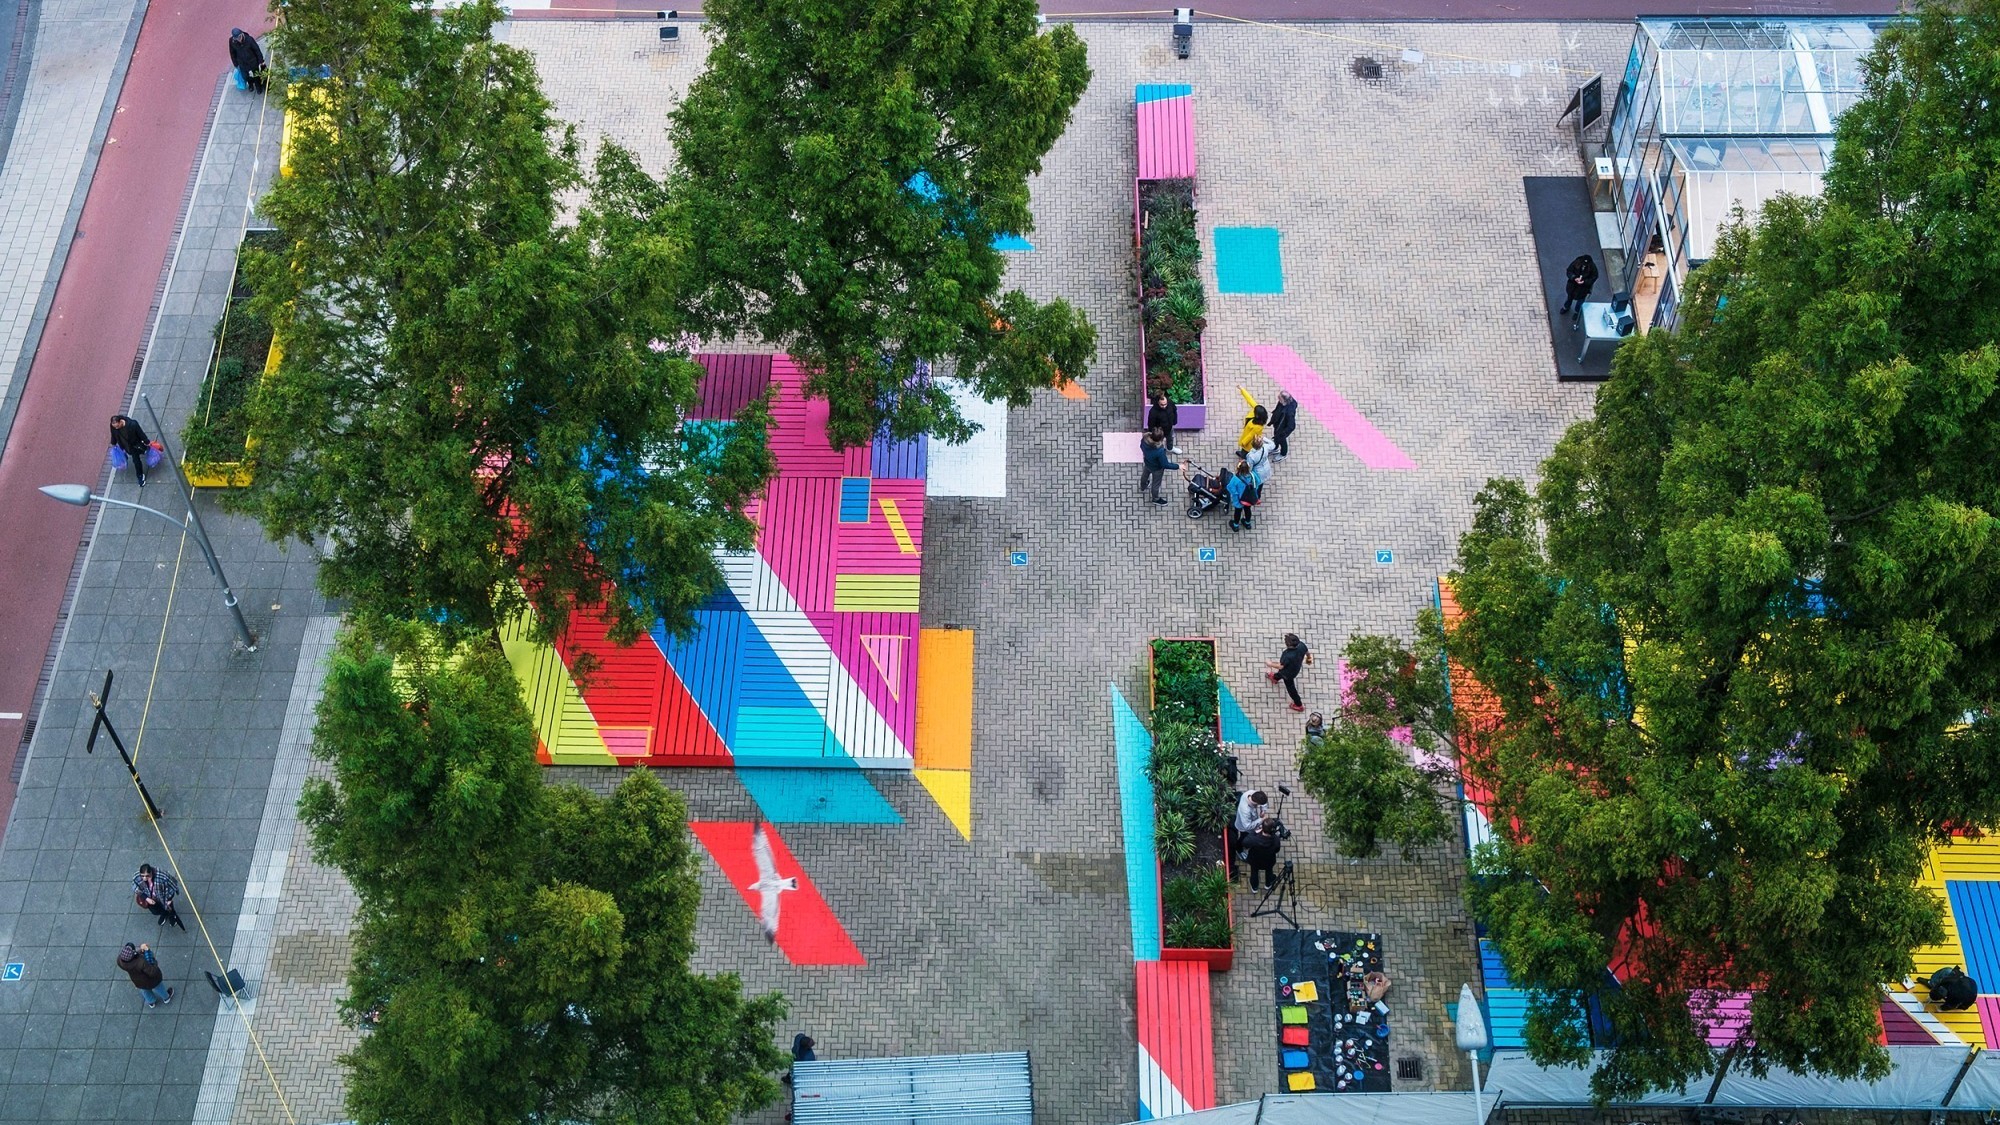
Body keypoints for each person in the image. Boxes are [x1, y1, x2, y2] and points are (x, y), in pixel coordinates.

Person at [117, 942, 174, 1009]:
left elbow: (134, 958)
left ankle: (151, 1002)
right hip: (152, 980)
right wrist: (147, 951)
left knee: (145, 991)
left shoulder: (120, 961)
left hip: (138, 981)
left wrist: (140, 951)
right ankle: (166, 998)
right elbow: (152, 971)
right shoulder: (140, 962)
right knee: (159, 987)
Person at [134, 863, 186, 931]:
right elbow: (135, 887)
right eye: (142, 876)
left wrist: (169, 898)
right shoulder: (137, 876)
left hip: (163, 897)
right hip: (150, 898)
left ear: (151, 872)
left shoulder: (162, 876)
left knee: (169, 908)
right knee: (155, 911)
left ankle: (171, 917)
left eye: (147, 876)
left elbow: (172, 885)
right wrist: (146, 898)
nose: (144, 878)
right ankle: (164, 913)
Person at [1266, 633, 1309, 712]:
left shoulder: (1287, 654)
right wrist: (1309, 659)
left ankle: (1299, 704)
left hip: (1288, 674)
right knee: (1280, 674)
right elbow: (1307, 652)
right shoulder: (1301, 645)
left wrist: (1270, 664)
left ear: (1288, 644)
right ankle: (1275, 678)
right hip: (1296, 668)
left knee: (1291, 688)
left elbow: (1281, 666)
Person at [109, 414, 151, 488]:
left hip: (134, 445)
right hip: (125, 446)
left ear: (121, 422)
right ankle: (144, 451)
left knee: (136, 461)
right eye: (114, 427)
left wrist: (146, 441)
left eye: (117, 426)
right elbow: (113, 435)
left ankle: (140, 476)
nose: (116, 428)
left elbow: (140, 433)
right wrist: (113, 443)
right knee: (136, 455)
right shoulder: (114, 427)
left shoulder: (132, 424)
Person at [1138, 431, 1178, 505]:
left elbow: (1141, 446)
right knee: (1156, 484)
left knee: (1145, 475)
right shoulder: (1159, 451)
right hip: (1157, 468)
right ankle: (1155, 499)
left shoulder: (1144, 440)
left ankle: (1143, 486)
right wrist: (1178, 466)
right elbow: (1165, 464)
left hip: (1147, 462)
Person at [1244, 820, 1281, 892]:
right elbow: (1277, 850)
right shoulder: (1276, 839)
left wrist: (1254, 832)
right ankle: (1268, 884)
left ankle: (1255, 888)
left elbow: (1245, 842)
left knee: (1254, 872)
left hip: (1255, 861)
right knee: (1269, 871)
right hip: (1269, 861)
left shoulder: (1254, 839)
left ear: (1262, 828)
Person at [229, 28, 267, 92]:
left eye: (239, 37)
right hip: (242, 63)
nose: (238, 40)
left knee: (256, 75)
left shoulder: (249, 39)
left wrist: (261, 60)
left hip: (252, 61)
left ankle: (258, 86)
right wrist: (235, 64)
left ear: (241, 34)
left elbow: (257, 50)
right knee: (245, 76)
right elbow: (232, 53)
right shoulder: (232, 41)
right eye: (236, 38)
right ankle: (250, 83)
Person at [1266, 392, 1298, 461]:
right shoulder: (1282, 403)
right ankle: (1275, 447)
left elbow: (1291, 426)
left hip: (1282, 429)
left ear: (1285, 400)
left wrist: (1283, 434)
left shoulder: (1289, 412)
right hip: (1278, 425)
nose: (1278, 399)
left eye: (1280, 398)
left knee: (1282, 441)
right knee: (1276, 437)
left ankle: (1283, 454)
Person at [1226, 464, 1256, 533]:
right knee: (1248, 509)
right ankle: (1247, 523)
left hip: (1239, 499)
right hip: (1249, 497)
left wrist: (1236, 494)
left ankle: (1235, 525)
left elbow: (1230, 487)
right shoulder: (1252, 475)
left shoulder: (1236, 479)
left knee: (1238, 511)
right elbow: (1256, 484)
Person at [1237, 388, 1268, 452]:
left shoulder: (1258, 427)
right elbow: (1250, 400)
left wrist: (1243, 442)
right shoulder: (1257, 410)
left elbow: (1250, 436)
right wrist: (1242, 390)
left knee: (1245, 451)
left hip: (1249, 442)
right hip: (1246, 434)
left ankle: (1244, 457)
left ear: (1257, 415)